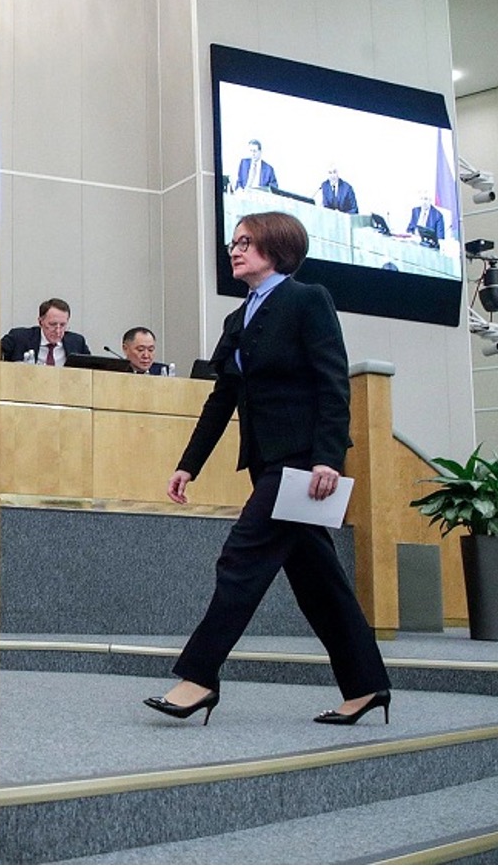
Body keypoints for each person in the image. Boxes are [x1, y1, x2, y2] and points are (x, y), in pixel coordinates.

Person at [142, 211, 391, 727]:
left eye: (245, 242)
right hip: (265, 463)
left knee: (240, 560)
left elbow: (332, 383)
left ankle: (198, 677)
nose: (234, 250)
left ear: (276, 249)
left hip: (300, 463)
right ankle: (367, 685)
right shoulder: (238, 319)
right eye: (233, 243)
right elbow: (222, 398)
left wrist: (328, 457)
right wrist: (189, 465)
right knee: (318, 582)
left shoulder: (307, 299)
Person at [0, 298, 90, 365]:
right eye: (53, 324)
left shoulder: (77, 343)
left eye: (63, 325)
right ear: (40, 322)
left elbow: (92, 369)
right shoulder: (18, 338)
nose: (58, 331)